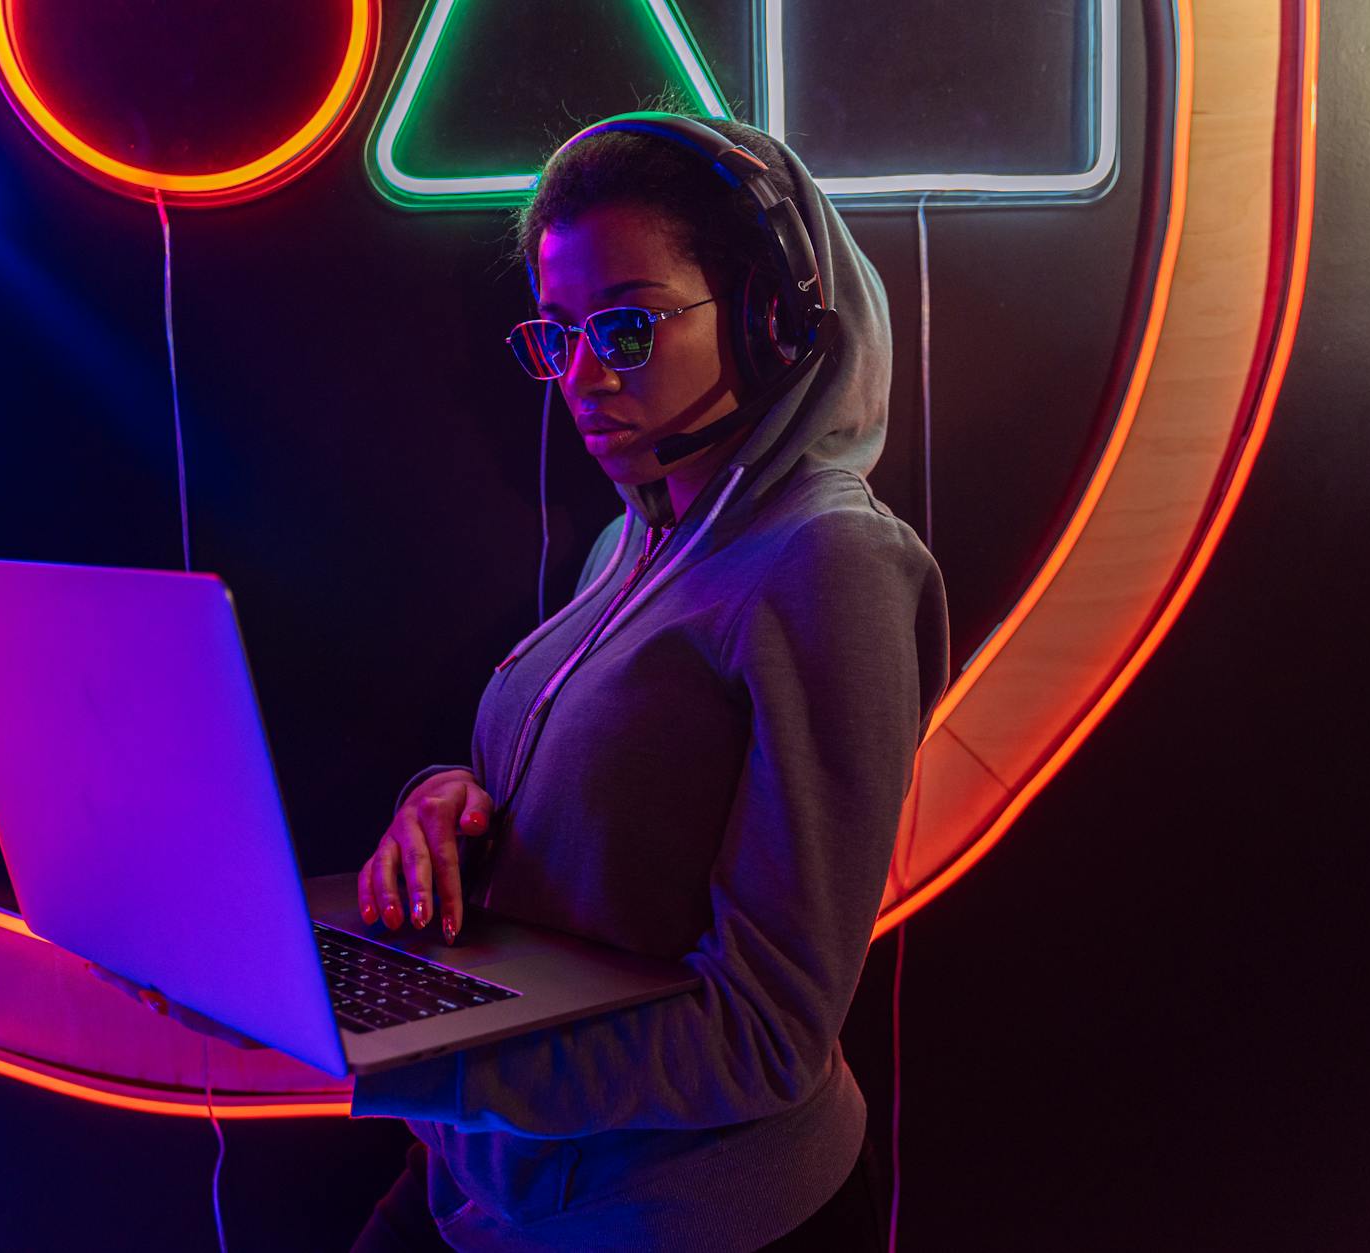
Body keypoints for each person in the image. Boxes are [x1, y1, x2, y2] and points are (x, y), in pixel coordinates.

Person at [346, 111, 948, 1252]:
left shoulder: (829, 565)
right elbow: (591, 800)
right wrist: (445, 800)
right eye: (558, 332)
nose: (577, 377)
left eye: (625, 328)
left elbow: (764, 1034)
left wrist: (426, 1055)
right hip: (507, 1182)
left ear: (773, 319)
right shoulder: (636, 536)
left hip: (688, 1216)